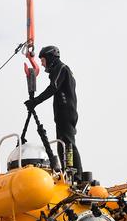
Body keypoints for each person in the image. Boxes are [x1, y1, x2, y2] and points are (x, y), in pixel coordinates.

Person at [24, 45, 83, 176]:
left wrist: (35, 101)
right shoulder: (60, 70)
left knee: (68, 143)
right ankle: (68, 172)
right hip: (62, 114)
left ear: (51, 58)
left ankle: (77, 175)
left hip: (67, 112)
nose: (42, 64)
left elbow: (53, 88)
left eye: (43, 60)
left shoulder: (62, 68)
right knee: (62, 144)